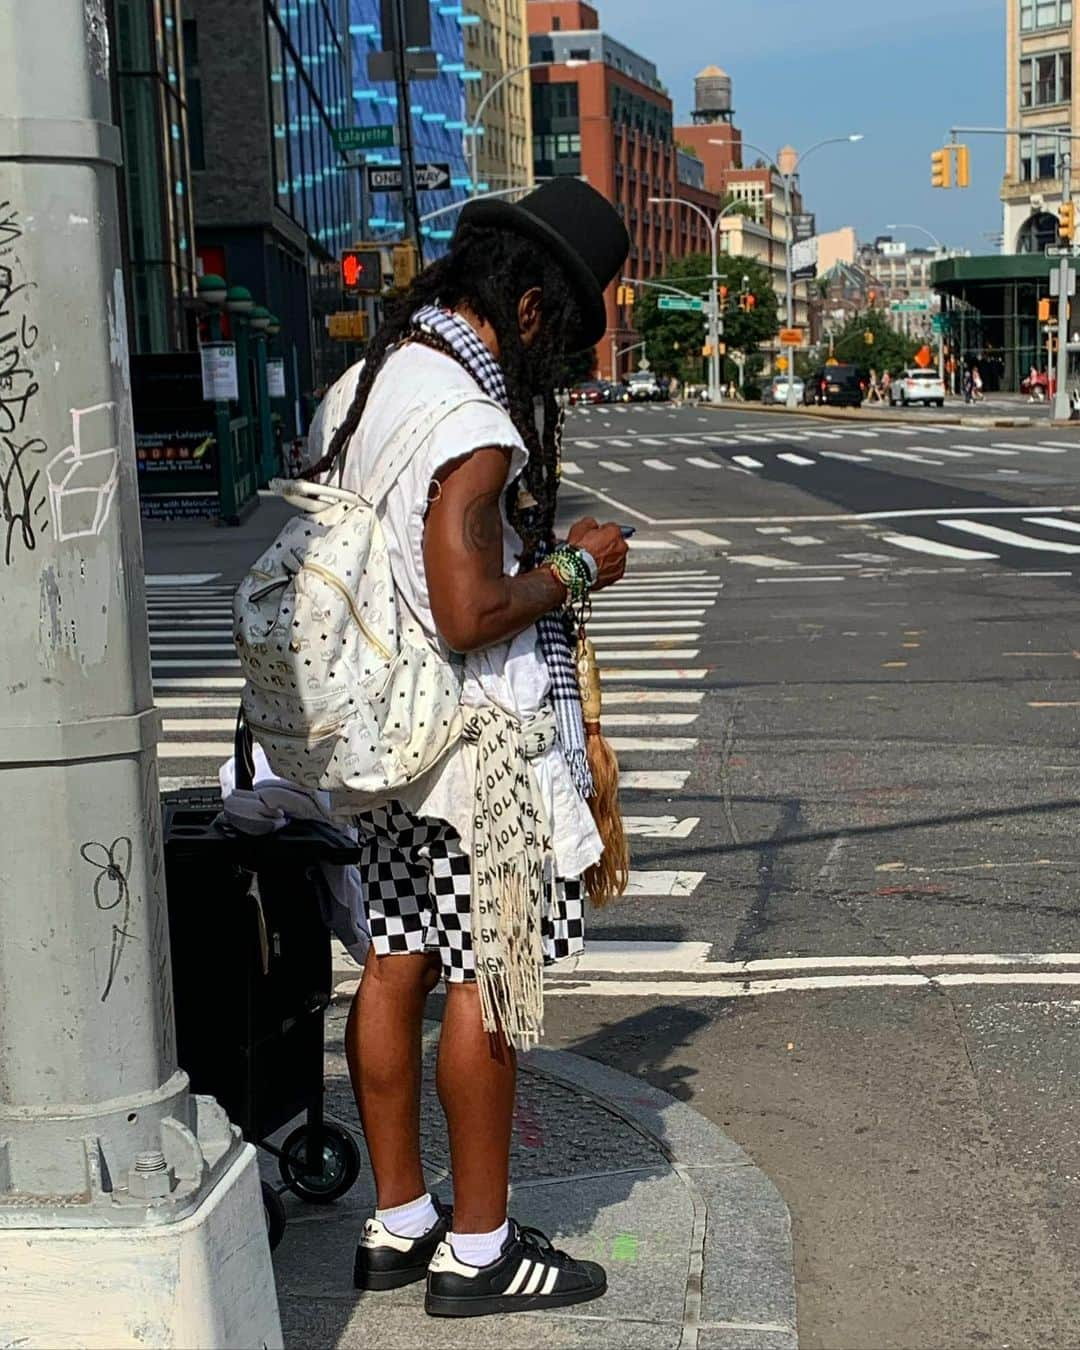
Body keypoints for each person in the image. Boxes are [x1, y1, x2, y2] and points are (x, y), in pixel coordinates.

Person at [304, 179, 631, 1318]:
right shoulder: (469, 424)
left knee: (392, 962)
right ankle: (481, 1250)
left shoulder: (365, 384)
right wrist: (581, 565)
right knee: (488, 976)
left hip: (382, 744)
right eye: (570, 334)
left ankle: (399, 1226)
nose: (562, 364)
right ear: (533, 309)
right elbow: (467, 610)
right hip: (469, 757)